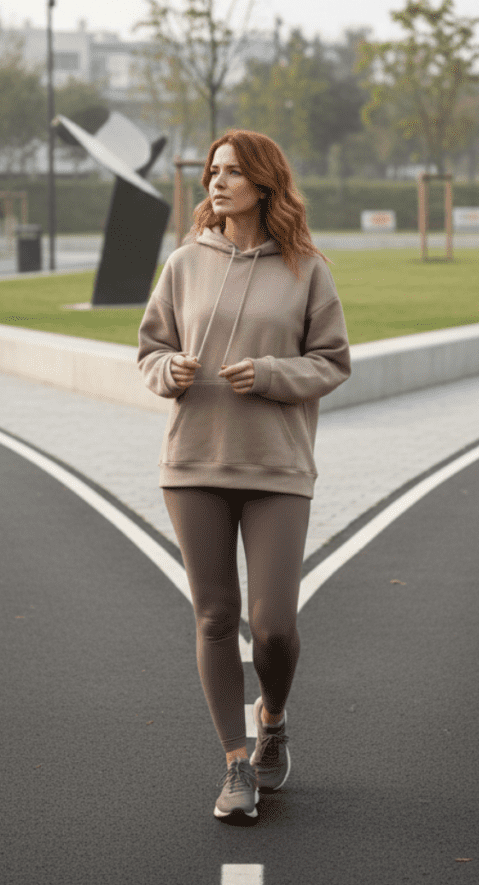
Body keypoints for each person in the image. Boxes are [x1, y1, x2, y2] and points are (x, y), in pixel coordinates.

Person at [137, 129, 351, 824]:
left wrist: (270, 375)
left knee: (273, 629)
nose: (216, 183)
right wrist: (163, 370)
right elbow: (152, 345)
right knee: (213, 615)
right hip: (192, 464)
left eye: (232, 173)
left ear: (264, 185)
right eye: (212, 171)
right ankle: (236, 763)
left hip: (277, 469)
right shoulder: (183, 263)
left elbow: (332, 361)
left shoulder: (307, 269)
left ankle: (275, 717)